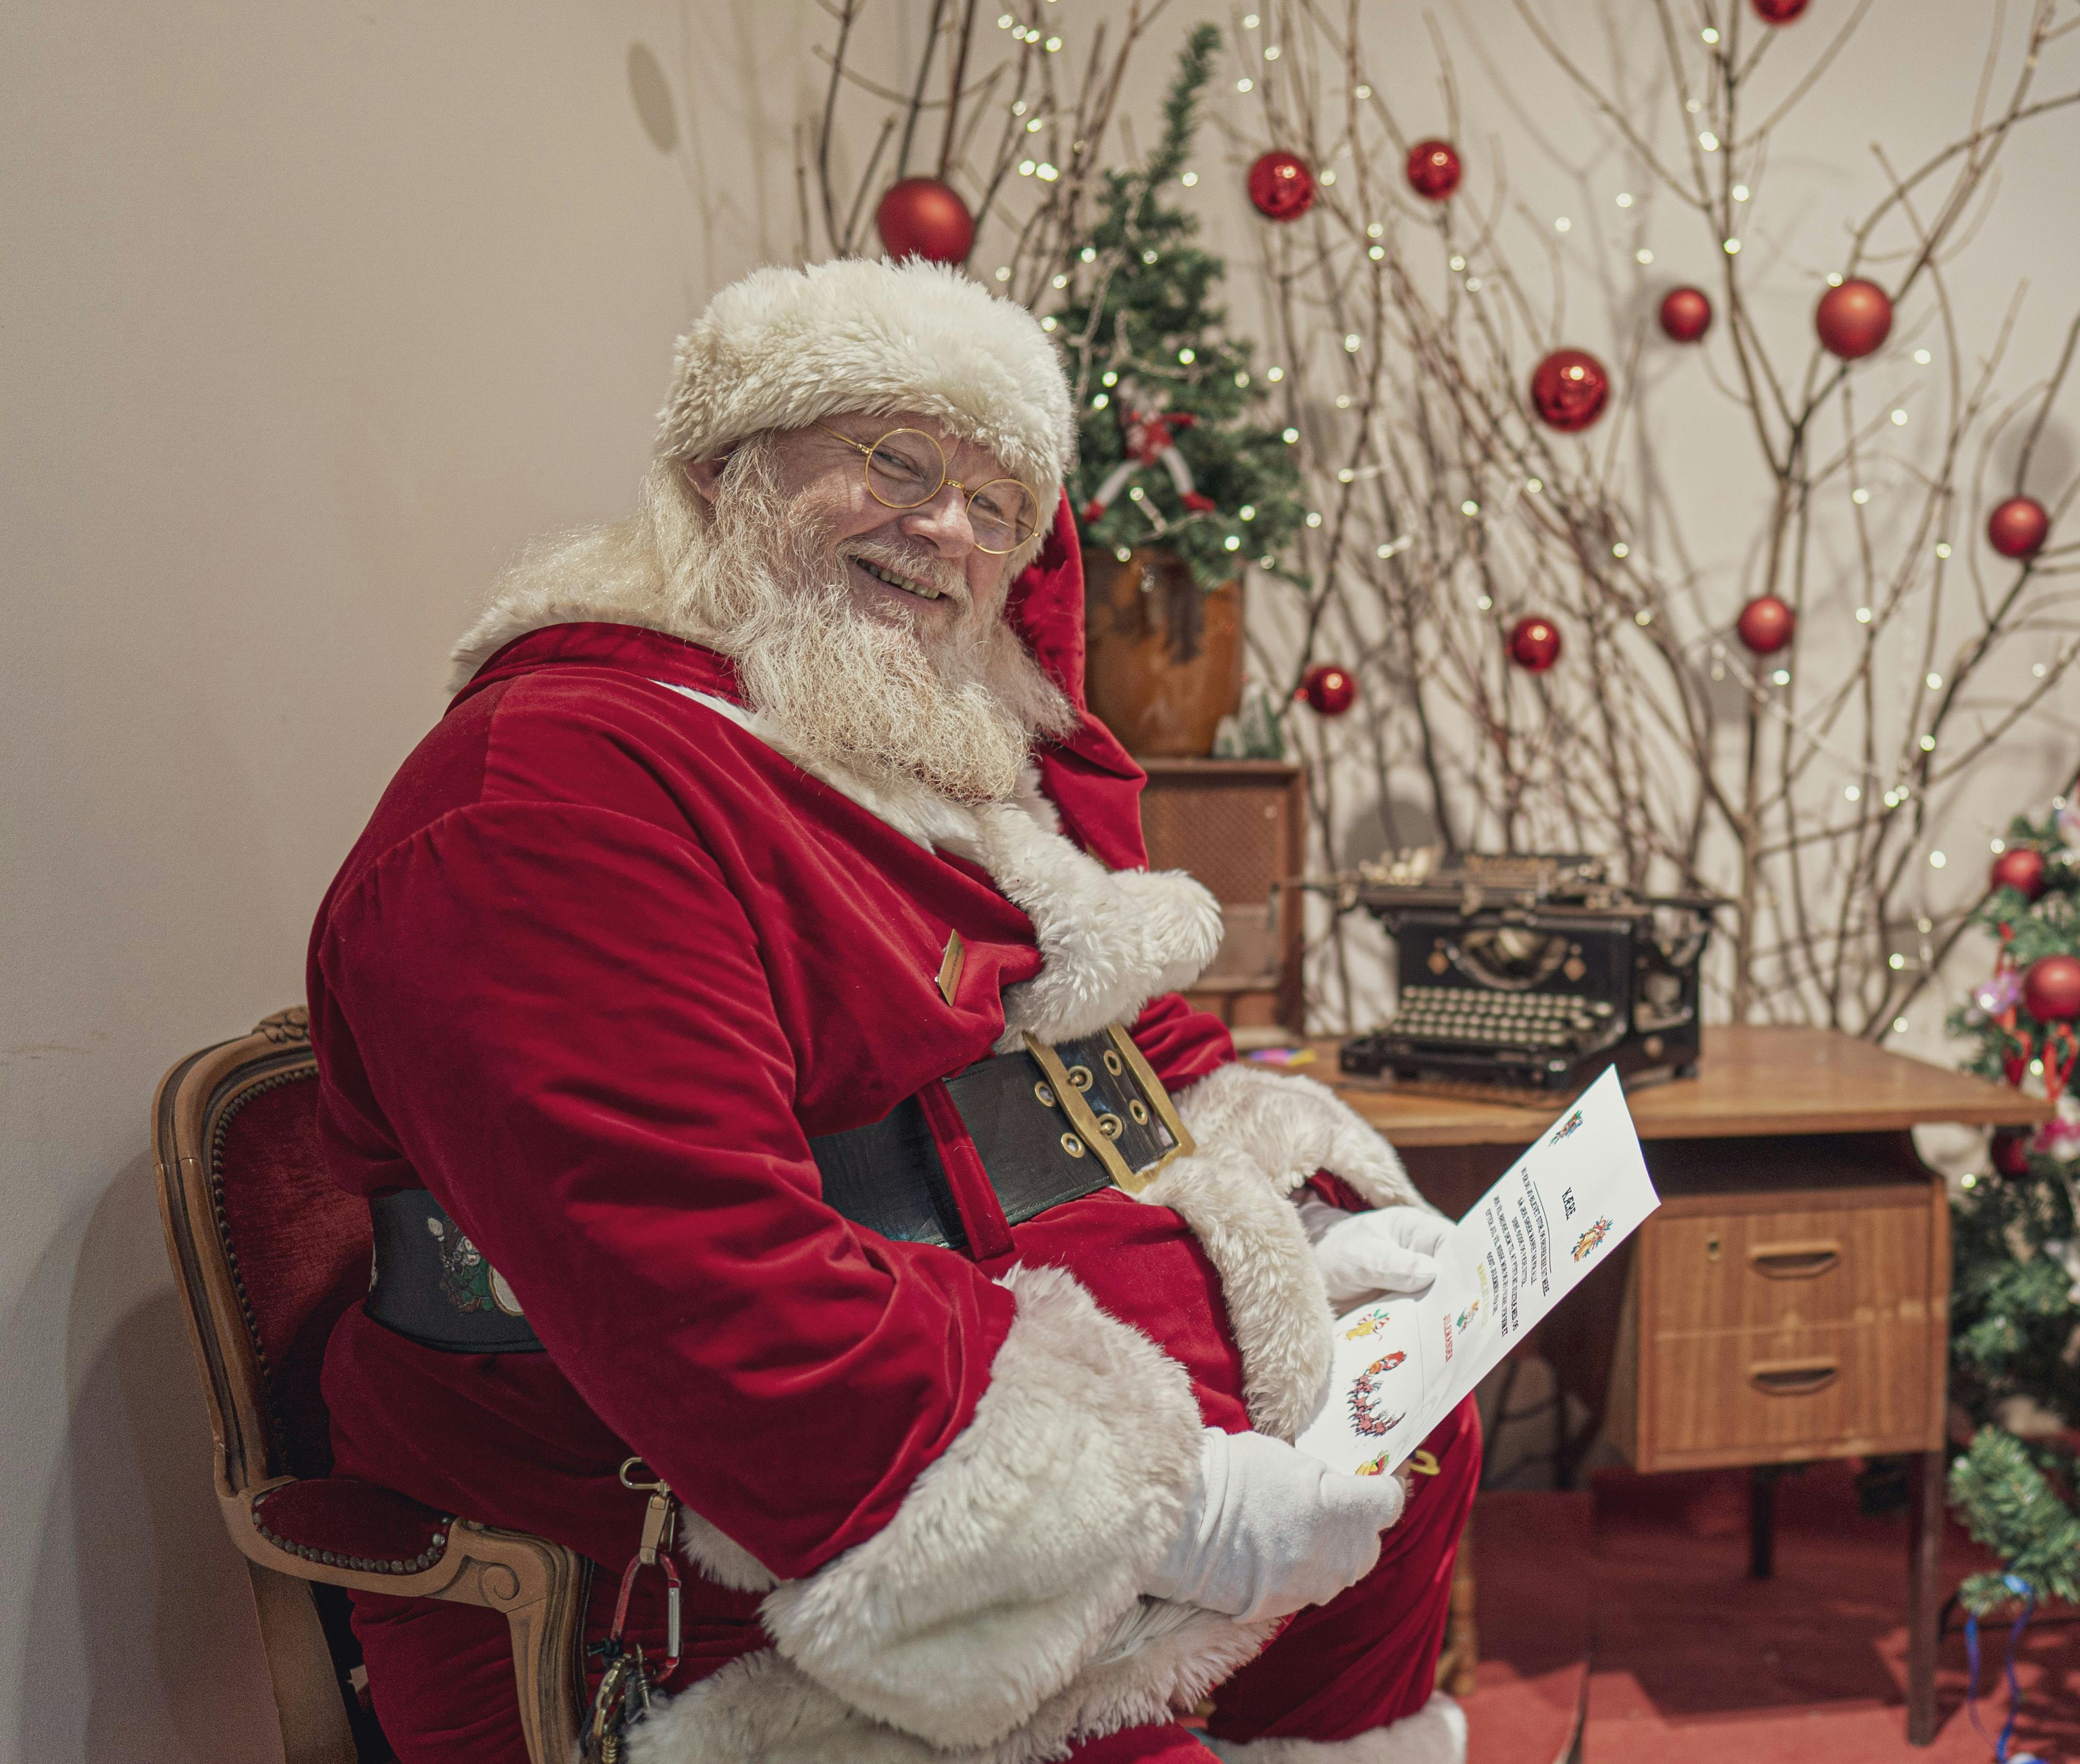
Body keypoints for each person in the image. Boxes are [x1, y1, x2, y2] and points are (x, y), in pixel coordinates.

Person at [306, 257, 1472, 1763]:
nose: (946, 535)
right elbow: (710, 1298)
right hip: (749, 1586)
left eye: (996, 510)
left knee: (1420, 1464)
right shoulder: (553, 795)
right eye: (897, 467)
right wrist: (1177, 1515)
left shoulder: (914, 756)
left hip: (1077, 1452)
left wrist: (1311, 1232)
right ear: (728, 476)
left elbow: (1134, 1049)